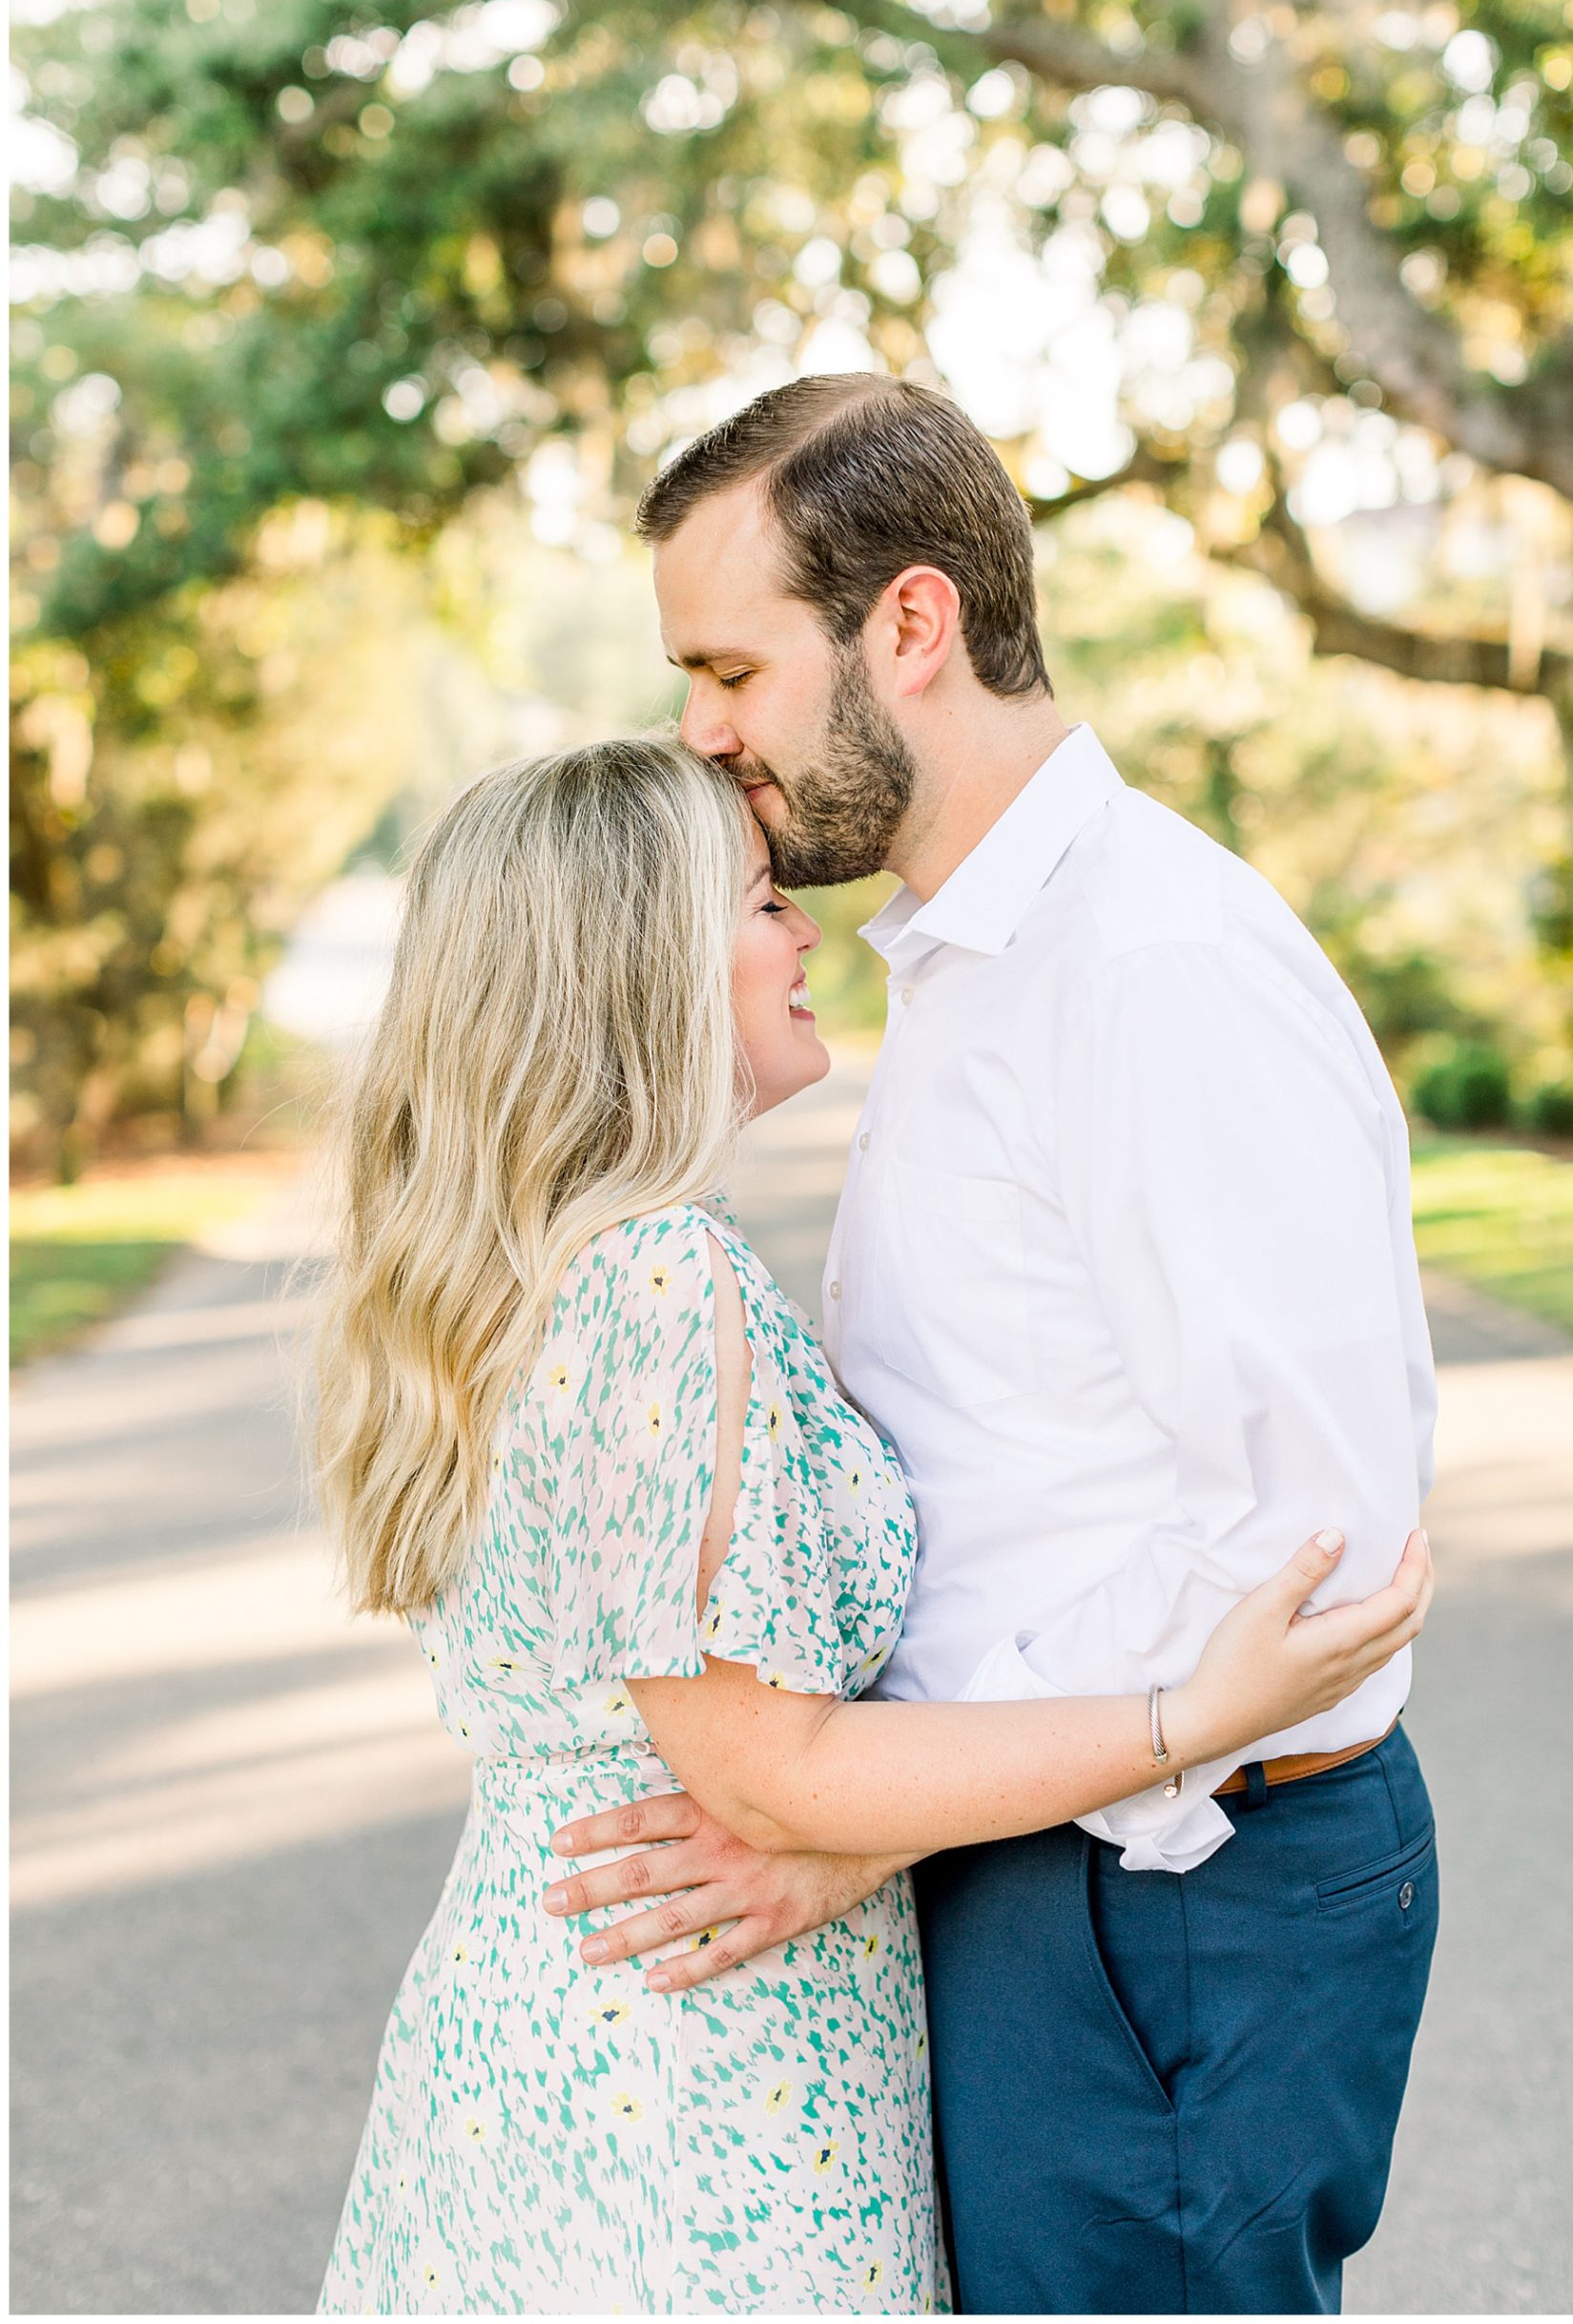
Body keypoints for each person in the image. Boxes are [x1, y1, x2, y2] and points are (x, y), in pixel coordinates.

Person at [312, 735, 1430, 2316]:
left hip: (580, 2019)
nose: (803, 935)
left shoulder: (549, 1272)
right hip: (687, 2072)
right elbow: (770, 1773)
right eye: (760, 901)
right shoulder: (651, 1280)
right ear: (638, 962)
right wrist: (1197, 1710)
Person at [546, 375, 1442, 2315]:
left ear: (912, 625)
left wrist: (860, 1808)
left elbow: (1306, 1557)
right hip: (1058, 1851)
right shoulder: (976, 953)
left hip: (1174, 1883)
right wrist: (884, 1809)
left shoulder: (1150, 966)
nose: (698, 731)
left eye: (728, 666)